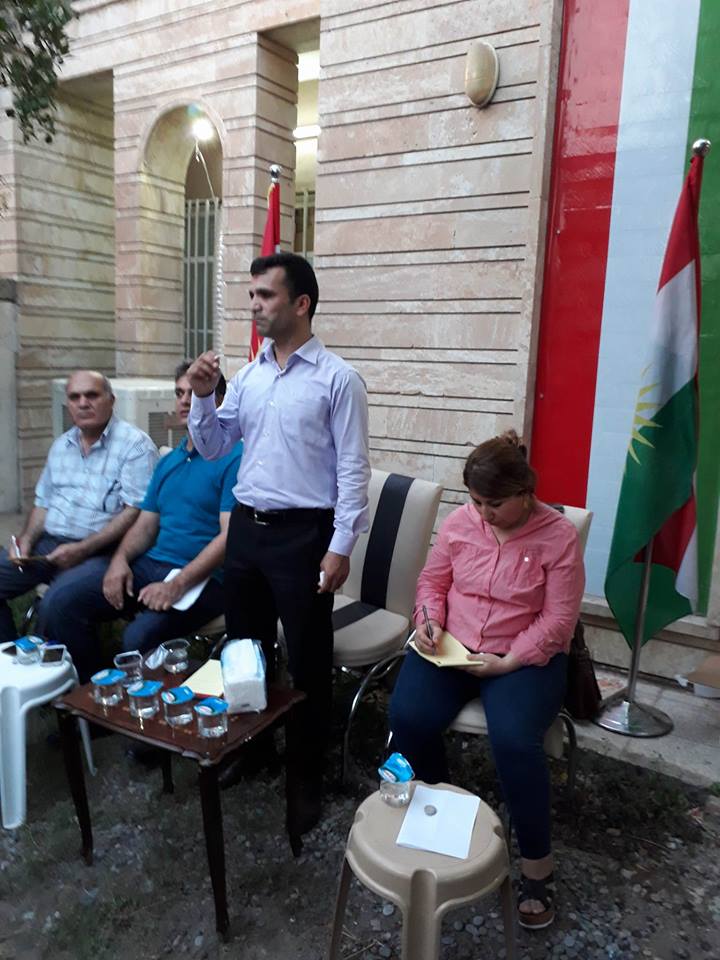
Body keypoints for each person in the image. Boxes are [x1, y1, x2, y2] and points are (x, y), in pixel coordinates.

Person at [187, 252, 370, 828]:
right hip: (247, 529)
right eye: (252, 296)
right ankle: (255, 747)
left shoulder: (338, 379)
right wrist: (202, 396)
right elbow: (214, 447)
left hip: (303, 536)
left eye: (265, 295)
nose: (255, 306)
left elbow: (353, 470)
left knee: (309, 660)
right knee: (246, 649)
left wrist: (340, 546)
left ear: (301, 303)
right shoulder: (251, 376)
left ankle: (306, 775)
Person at [388, 431, 584, 930]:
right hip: (454, 645)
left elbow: (559, 620)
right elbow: (433, 582)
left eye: (494, 504)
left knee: (515, 740)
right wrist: (428, 621)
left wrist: (507, 661)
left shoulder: (558, 536)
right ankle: (444, 816)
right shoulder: (461, 523)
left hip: (524, 656)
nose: (483, 513)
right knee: (407, 716)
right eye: (476, 502)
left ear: (525, 493)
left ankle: (537, 867)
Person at [40, 363, 241, 682]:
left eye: (194, 393)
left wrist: (177, 584)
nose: (184, 401)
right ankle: (95, 692)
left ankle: (154, 704)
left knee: (138, 638)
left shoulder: (234, 457)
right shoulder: (170, 461)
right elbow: (146, 525)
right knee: (59, 602)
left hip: (206, 579)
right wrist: (119, 560)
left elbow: (230, 537)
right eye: (179, 393)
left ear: (218, 400)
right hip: (152, 565)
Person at [0, 370, 158, 644]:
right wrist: (26, 540)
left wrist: (83, 549)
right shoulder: (61, 446)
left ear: (111, 400)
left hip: (103, 551)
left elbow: (135, 512)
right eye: (75, 397)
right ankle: (9, 659)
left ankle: (75, 670)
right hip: (49, 546)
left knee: (56, 604)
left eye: (92, 395)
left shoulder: (135, 446)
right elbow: (43, 504)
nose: (83, 403)